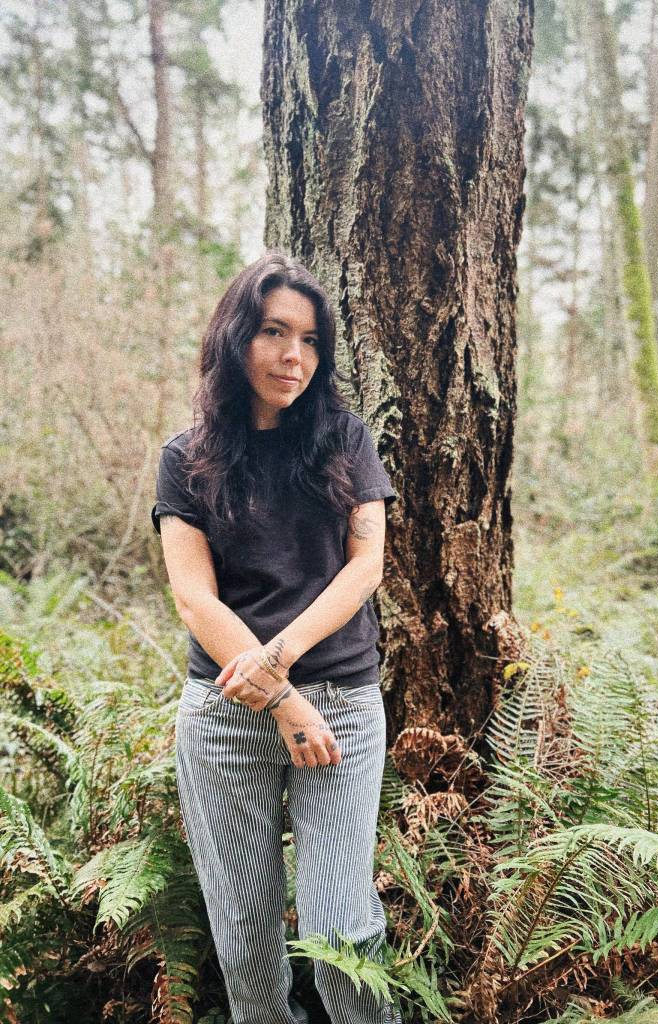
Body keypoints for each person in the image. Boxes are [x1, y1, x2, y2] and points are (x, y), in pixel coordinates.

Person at [151, 251, 402, 1024]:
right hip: (226, 715)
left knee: (341, 932)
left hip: (341, 711)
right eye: (273, 332)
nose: (295, 355)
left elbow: (366, 566)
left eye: (311, 339)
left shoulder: (346, 440)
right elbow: (194, 597)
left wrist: (281, 663)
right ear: (235, 338)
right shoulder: (184, 459)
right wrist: (280, 698)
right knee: (245, 941)